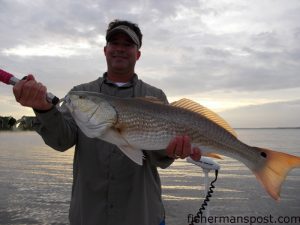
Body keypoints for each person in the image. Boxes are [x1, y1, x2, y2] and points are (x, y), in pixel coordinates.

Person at [13, 19, 201, 225]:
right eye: (114, 43)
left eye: (128, 44)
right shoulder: (79, 94)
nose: (120, 49)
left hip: (141, 214)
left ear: (138, 54)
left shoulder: (154, 96)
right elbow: (61, 140)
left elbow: (159, 158)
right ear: (105, 50)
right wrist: (43, 109)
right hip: (89, 215)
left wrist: (170, 151)